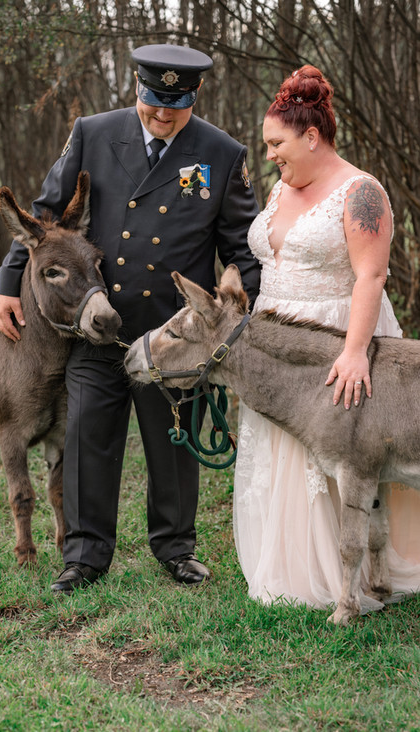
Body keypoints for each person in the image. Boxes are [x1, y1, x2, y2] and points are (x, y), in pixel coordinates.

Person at [0, 44, 261, 593]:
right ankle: (85, 556)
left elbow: (241, 248)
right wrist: (7, 286)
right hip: (95, 321)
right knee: (88, 432)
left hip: (171, 333)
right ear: (137, 89)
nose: (162, 115)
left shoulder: (222, 152)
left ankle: (175, 547)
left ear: (195, 96)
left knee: (172, 439)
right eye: (152, 102)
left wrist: (233, 320)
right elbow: (45, 215)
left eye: (176, 105)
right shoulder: (92, 132)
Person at [233, 65, 420, 613]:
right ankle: (293, 569)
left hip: (341, 334)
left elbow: (371, 275)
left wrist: (355, 351)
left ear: (311, 136)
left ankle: (358, 574)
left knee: (344, 455)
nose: (270, 155)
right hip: (279, 346)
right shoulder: (280, 187)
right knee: (285, 454)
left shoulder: (362, 192)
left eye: (277, 144)